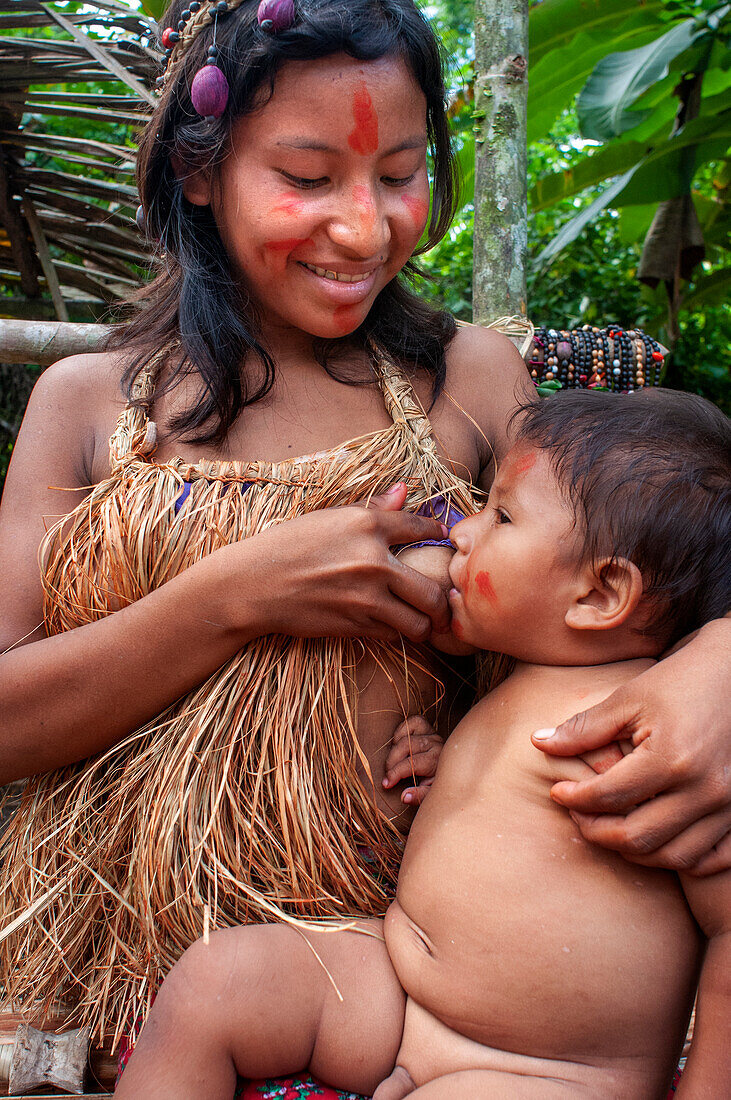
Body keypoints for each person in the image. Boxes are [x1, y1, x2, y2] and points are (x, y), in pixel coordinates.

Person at [0, 0, 729, 1050]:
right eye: (305, 179)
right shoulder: (89, 404)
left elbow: (643, 557)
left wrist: (716, 658)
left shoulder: (465, 382)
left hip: (400, 989)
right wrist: (233, 595)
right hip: (100, 984)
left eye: (398, 174)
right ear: (196, 169)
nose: (363, 225)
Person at [116, 387, 731, 1099]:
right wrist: (454, 783)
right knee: (218, 979)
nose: (463, 533)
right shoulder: (523, 680)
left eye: (500, 516)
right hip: (400, 996)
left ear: (598, 596)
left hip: (535, 1073)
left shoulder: (645, 739)